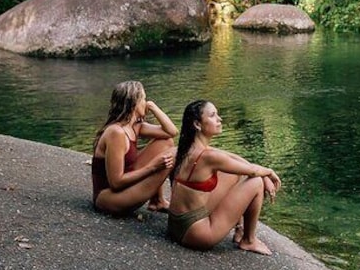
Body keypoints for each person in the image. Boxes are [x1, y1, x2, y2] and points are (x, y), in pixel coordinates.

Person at [167, 99, 281, 255]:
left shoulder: (186, 149)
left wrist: (264, 172)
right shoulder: (209, 156)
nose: (219, 119)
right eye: (213, 115)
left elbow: (232, 158)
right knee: (255, 182)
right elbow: (252, 172)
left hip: (176, 226)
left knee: (236, 174)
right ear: (197, 124)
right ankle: (249, 240)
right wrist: (268, 172)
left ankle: (240, 230)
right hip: (197, 235)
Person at [92, 81, 178, 216]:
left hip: (125, 187)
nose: (146, 102)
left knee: (166, 142)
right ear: (134, 103)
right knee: (175, 154)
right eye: (144, 99)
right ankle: (183, 207)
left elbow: (171, 132)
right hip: (109, 197)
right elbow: (116, 182)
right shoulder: (116, 133)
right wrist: (153, 167)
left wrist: (154, 108)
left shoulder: (135, 126)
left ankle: (158, 201)